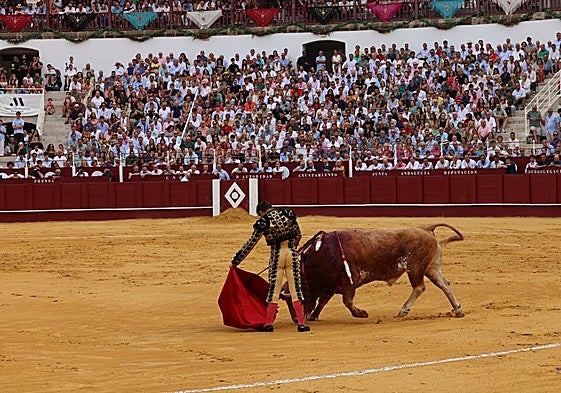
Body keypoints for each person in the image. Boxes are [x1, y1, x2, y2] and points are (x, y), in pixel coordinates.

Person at [229, 201, 310, 333]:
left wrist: (235, 261)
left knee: (274, 290)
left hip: (276, 256)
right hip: (291, 253)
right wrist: (293, 248)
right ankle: (301, 324)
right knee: (296, 289)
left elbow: (251, 243)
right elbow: (298, 234)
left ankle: (268, 324)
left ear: (261, 213)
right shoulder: (288, 214)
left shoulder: (263, 222)